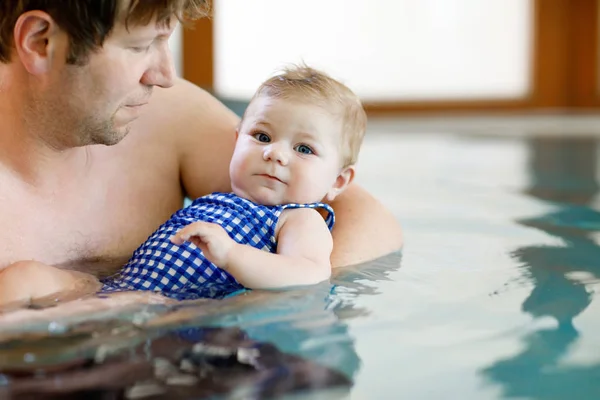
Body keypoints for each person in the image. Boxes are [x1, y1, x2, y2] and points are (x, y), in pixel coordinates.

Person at [0, 1, 402, 303]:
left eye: (167, 40)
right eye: (144, 45)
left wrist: (239, 316)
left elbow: (369, 220)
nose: (164, 74)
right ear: (41, 42)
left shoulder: (165, 112)